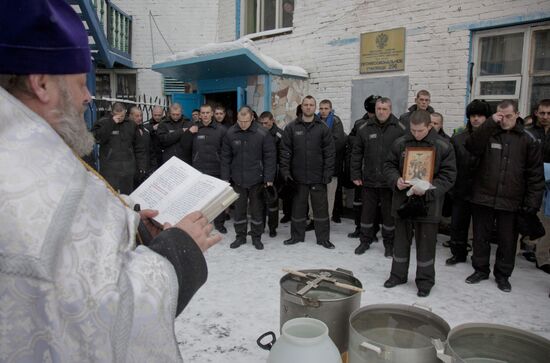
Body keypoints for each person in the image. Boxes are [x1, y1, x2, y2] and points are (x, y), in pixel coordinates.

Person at [0, 1, 221, 361]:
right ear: (41, 83)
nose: (89, 97)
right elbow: (104, 318)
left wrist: (130, 221)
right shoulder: (27, 184)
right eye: (79, 82)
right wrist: (179, 249)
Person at [464, 100, 544, 292]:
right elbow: (471, 145)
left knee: (507, 241)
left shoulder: (528, 139)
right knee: (480, 237)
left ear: (517, 114)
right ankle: (480, 269)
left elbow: (535, 175)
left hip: (511, 200)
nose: (504, 120)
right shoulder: (488, 133)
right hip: (483, 196)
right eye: (500, 116)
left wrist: (532, 203)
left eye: (508, 116)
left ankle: (503, 275)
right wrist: (490, 122)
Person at [383, 110, 457, 297]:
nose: (416, 134)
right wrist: (396, 180)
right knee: (400, 241)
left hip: (428, 204)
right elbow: (388, 165)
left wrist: (430, 188)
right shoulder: (401, 143)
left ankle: (425, 281)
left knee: (426, 244)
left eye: (420, 130)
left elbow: (449, 176)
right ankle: (397, 275)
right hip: (403, 200)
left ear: (430, 126)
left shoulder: (443, 146)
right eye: (413, 130)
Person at [351, 97, 406, 257]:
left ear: (390, 109)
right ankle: (365, 241)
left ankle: (389, 244)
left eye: (384, 109)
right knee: (367, 213)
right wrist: (355, 174)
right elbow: (356, 153)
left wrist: (401, 177)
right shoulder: (364, 128)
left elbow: (406, 155)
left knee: (389, 216)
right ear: (375, 110)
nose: (381, 112)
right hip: (369, 180)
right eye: (378, 109)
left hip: (391, 182)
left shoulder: (400, 128)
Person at [280, 95, 336, 249]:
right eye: (306, 105)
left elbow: (329, 153)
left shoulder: (323, 127)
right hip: (297, 178)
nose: (309, 107)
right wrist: (286, 172)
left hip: (318, 177)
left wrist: (327, 173)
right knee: (297, 209)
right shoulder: (291, 127)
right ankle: (296, 236)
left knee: (321, 210)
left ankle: (323, 238)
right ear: (302, 107)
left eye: (311, 105)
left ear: (315, 107)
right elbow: (285, 151)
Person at [222, 107, 277, 249]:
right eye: (240, 121)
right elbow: (225, 158)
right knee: (239, 211)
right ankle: (240, 237)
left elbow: (270, 158)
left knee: (256, 210)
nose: (243, 124)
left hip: (256, 180)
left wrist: (268, 178)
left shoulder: (262, 133)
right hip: (237, 180)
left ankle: (256, 237)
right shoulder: (230, 133)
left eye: (246, 121)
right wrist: (225, 178)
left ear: (252, 117)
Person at [446, 100, 491, 265]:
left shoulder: (493, 139)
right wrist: (452, 189)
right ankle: (458, 253)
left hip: (483, 191)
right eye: (473, 115)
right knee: (457, 225)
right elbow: (451, 166)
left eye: (480, 116)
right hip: (461, 189)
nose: (476, 119)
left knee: (481, 230)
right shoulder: (458, 139)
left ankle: (479, 261)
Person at [92, 102, 147, 195]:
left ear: (125, 113)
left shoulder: (131, 124)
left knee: (127, 197)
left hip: (128, 168)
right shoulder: (103, 122)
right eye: (118, 116)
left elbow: (139, 147)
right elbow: (97, 138)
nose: (120, 118)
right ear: (112, 113)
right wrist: (112, 123)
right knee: (110, 197)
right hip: (109, 169)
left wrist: (141, 165)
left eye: (122, 116)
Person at [347, 95, 381, 238]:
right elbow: (350, 138)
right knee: (359, 201)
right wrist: (362, 143)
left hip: (376, 171)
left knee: (375, 203)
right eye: (372, 111)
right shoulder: (360, 123)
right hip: (361, 169)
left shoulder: (384, 124)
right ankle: (358, 227)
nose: (374, 114)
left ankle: (373, 229)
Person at [193, 104, 228, 233]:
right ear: (200, 114)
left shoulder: (221, 130)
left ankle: (220, 223)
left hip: (216, 168)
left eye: (208, 113)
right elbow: (186, 147)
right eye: (203, 113)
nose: (206, 115)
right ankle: (200, 223)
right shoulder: (195, 128)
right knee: (200, 199)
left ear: (212, 114)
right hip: (199, 170)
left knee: (218, 199)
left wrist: (225, 172)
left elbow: (226, 153)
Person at [318, 99, 347, 224]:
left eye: (326, 108)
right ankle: (315, 219)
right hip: (317, 164)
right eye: (321, 108)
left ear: (330, 109)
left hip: (332, 164)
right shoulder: (316, 120)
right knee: (317, 195)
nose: (323, 111)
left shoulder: (335, 121)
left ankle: (327, 218)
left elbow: (338, 142)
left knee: (330, 194)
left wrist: (320, 147)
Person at [259, 111, 286, 237]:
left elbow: (284, 155)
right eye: (262, 123)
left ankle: (272, 228)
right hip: (259, 171)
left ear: (272, 120)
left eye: (266, 123)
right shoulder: (258, 133)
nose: (264, 125)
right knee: (259, 202)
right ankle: (260, 226)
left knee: (272, 202)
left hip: (274, 172)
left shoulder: (279, 134)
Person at [534, 99, 550, 273]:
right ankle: (516, 253)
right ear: (537, 113)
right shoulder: (530, 133)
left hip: (549, 185)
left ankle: (543, 257)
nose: (545, 116)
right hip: (531, 182)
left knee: (547, 222)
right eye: (542, 113)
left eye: (549, 113)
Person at [129, 106, 157, 187]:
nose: (140, 118)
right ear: (130, 116)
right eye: (137, 116)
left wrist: (153, 168)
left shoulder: (146, 132)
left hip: (145, 172)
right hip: (132, 173)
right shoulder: (126, 132)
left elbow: (151, 152)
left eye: (141, 115)